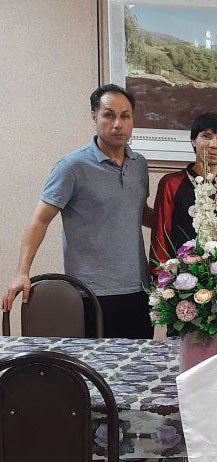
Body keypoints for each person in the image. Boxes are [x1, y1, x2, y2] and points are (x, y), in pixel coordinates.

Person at [3, 84, 154, 339]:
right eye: (109, 115)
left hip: (140, 289)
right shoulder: (72, 166)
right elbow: (40, 220)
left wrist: (193, 216)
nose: (118, 124)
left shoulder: (139, 164)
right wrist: (22, 272)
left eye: (125, 116)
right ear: (94, 116)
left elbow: (139, 212)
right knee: (95, 362)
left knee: (137, 361)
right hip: (91, 293)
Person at [151, 112, 217, 268]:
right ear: (194, 140)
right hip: (182, 274)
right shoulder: (171, 183)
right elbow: (160, 234)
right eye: (206, 136)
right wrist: (161, 274)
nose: (213, 145)